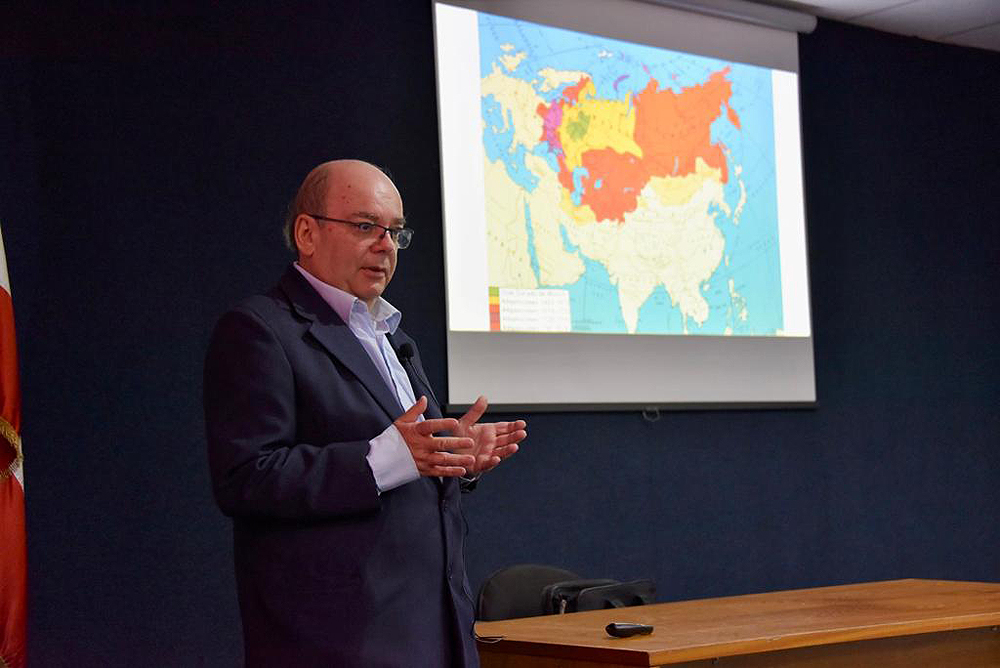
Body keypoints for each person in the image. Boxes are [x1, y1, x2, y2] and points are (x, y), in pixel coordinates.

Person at [203, 159, 526, 667]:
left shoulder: (393, 337)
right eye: (365, 227)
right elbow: (247, 478)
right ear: (307, 232)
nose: (385, 246)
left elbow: (406, 466)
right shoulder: (260, 331)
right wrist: (385, 459)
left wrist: (450, 456)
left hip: (432, 633)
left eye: (395, 232)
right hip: (338, 644)